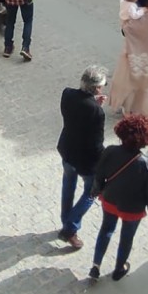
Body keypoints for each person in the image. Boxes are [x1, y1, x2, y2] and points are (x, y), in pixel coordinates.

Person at [89, 113, 148, 281]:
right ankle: (119, 268)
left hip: (110, 199)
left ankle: (95, 265)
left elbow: (99, 175)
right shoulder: (147, 163)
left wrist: (96, 191)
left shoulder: (110, 151)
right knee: (127, 238)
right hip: (133, 208)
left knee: (106, 229)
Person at [57, 65, 108, 250]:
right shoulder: (97, 112)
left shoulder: (67, 94)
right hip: (86, 161)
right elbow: (96, 144)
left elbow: (77, 111)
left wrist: (93, 102)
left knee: (68, 185)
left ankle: (65, 220)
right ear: (97, 88)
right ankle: (70, 227)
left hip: (67, 150)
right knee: (91, 192)